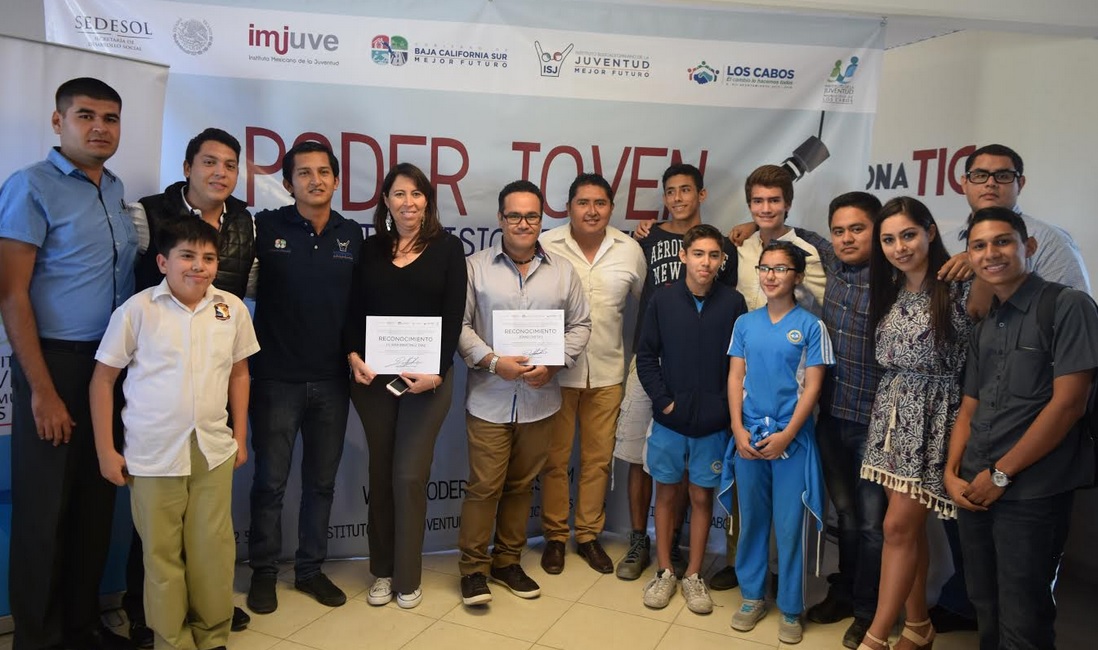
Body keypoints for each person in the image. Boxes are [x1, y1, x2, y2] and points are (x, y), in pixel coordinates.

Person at [0, 77, 137, 650]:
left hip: (110, 369)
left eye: (110, 118)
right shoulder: (30, 186)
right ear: (59, 122)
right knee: (44, 513)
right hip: (54, 364)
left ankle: (83, 627)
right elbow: (11, 294)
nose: (100, 128)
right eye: (86, 116)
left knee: (94, 505)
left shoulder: (115, 188)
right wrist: (42, 390)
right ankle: (37, 638)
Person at [932, 143, 1091, 634]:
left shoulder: (1066, 304)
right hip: (975, 479)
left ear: (1029, 246)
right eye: (979, 247)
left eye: (1003, 243)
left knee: (1023, 612)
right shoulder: (986, 322)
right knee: (985, 603)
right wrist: (952, 472)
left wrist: (1000, 475)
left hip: (1030, 486)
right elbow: (971, 404)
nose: (990, 254)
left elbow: (1068, 404)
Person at [89, 219, 259, 650]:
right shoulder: (138, 310)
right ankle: (172, 640)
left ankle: (212, 634)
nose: (198, 266)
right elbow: (103, 380)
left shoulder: (231, 309)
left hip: (212, 450)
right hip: (153, 454)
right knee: (161, 556)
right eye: (187, 256)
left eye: (208, 258)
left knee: (212, 550)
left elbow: (240, 373)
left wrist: (240, 436)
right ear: (163, 262)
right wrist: (106, 450)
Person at [124, 126, 254, 645]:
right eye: (209, 162)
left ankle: (210, 618)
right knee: (157, 539)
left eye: (230, 165)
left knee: (209, 541)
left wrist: (239, 433)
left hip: (211, 406)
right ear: (187, 167)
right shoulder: (148, 214)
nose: (220, 172)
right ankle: (155, 621)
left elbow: (240, 364)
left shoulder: (243, 222)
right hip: (155, 399)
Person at [455, 180, 591, 606]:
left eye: (531, 216)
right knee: (484, 487)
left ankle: (507, 561)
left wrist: (554, 363)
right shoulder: (474, 268)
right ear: (500, 218)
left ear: (541, 219)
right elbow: (459, 326)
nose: (523, 223)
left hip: (540, 400)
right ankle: (473, 569)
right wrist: (495, 362)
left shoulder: (563, 271)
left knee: (520, 486)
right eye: (514, 215)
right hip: (489, 398)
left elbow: (581, 325)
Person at [246, 141, 364, 614]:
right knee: (270, 483)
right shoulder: (266, 226)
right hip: (275, 378)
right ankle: (264, 572)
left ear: (336, 180)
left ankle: (310, 570)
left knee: (321, 483)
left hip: (332, 381)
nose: (315, 180)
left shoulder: (351, 234)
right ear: (288, 182)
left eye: (323, 172)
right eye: (304, 173)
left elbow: (360, 305)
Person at [344, 163, 467, 609]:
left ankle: (408, 576)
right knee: (381, 474)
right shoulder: (370, 248)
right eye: (399, 194)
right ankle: (382, 570)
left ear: (427, 201)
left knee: (409, 475)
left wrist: (437, 371)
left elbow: (453, 315)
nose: (408, 202)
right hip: (374, 381)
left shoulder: (448, 249)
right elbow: (353, 309)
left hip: (427, 382)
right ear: (385, 201)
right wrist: (353, 355)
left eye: (416, 194)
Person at [857, 197, 976, 650]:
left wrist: (973, 258)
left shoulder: (960, 285)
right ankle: (918, 626)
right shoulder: (890, 287)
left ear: (930, 231)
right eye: (889, 239)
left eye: (908, 235)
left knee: (896, 529)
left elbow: (1008, 272)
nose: (899, 247)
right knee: (908, 531)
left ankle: (875, 638)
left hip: (933, 418)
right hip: (891, 419)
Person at [614, 163, 737, 582]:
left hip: (700, 373)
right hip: (652, 362)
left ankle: (676, 545)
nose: (678, 198)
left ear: (701, 194)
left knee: (691, 466)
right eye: (671, 191)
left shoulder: (722, 247)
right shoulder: (646, 237)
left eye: (686, 190)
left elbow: (723, 309)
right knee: (640, 455)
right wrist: (663, 397)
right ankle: (639, 540)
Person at [721, 240, 832, 645]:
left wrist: (787, 434)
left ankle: (790, 606)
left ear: (797, 276)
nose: (770, 276)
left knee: (790, 527)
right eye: (765, 268)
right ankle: (752, 596)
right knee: (751, 520)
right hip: (749, 438)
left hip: (791, 442)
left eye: (780, 269)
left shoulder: (811, 326)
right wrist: (738, 429)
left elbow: (813, 388)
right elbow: (736, 377)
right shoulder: (745, 324)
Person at [636, 224, 747, 614]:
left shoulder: (733, 303)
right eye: (698, 254)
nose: (706, 262)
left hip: (713, 424)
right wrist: (664, 402)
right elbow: (646, 356)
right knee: (666, 494)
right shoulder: (663, 300)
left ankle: (694, 574)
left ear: (722, 260)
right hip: (670, 421)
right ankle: (665, 570)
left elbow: (739, 363)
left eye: (714, 255)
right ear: (683, 256)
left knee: (701, 497)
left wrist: (724, 409)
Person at [538, 173, 645, 575]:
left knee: (597, 461)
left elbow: (650, 306)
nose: (592, 211)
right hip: (554, 375)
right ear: (568, 207)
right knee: (554, 460)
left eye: (600, 203)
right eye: (583, 202)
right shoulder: (546, 245)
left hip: (607, 373)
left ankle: (587, 536)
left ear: (611, 208)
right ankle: (554, 537)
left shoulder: (629, 250)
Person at [734, 165, 825, 312]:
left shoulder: (806, 253)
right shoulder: (742, 246)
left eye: (774, 200)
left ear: (787, 205)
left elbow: (821, 310)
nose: (766, 209)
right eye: (758, 201)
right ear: (750, 205)